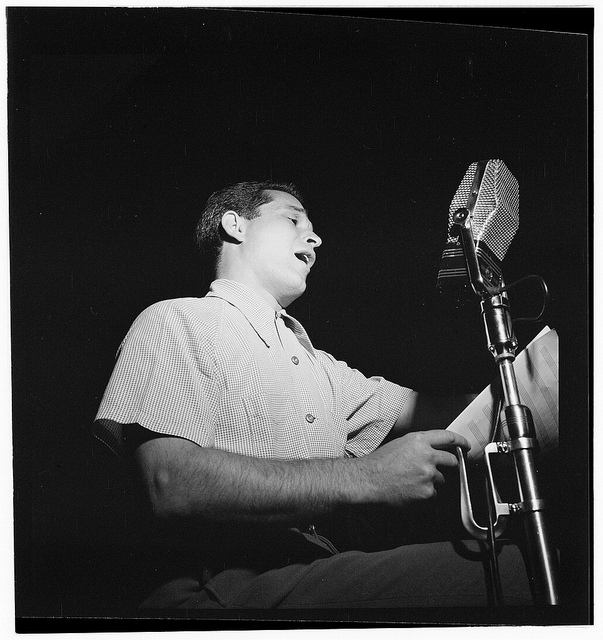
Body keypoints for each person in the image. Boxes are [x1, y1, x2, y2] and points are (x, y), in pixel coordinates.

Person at [93, 180, 532, 610]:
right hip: (216, 588)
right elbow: (169, 483)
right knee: (513, 570)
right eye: (292, 218)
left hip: (310, 572)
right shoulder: (175, 320)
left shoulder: (318, 366)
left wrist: (540, 384)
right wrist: (366, 478)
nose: (316, 237)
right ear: (235, 226)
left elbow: (438, 411)